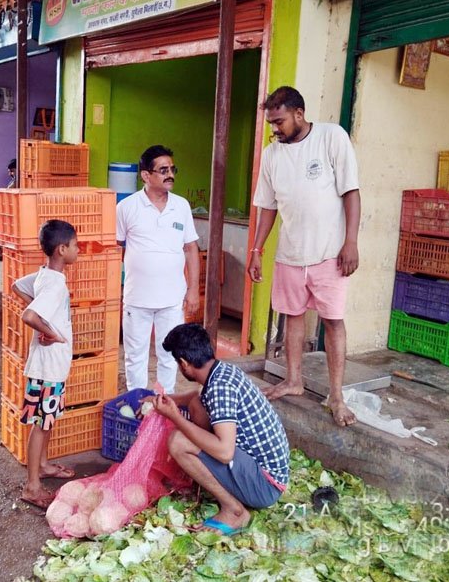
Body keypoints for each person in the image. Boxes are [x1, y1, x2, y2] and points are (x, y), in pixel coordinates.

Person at [248, 86, 361, 427]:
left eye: (279, 121)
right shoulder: (272, 154)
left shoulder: (331, 138)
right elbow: (267, 207)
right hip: (290, 253)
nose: (275, 129)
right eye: (271, 122)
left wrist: (351, 242)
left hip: (330, 252)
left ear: (299, 113)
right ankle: (294, 380)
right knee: (292, 316)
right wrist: (257, 249)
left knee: (333, 321)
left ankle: (337, 396)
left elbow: (351, 192)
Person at [147, 323, 289, 535]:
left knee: (178, 441)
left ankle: (234, 510)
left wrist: (175, 416)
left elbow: (225, 453)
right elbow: (194, 397)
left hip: (266, 485)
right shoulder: (221, 371)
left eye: (178, 364)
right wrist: (160, 400)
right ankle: (213, 480)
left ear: (184, 364)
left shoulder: (220, 389)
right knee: (196, 402)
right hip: (261, 469)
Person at [116, 145, 200, 394]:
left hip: (172, 299)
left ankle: (166, 406)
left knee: (170, 355)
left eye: (172, 169)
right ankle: (138, 402)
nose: (170, 174)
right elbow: (115, 249)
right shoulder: (127, 207)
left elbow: (191, 249)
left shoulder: (182, 206)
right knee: (135, 356)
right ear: (146, 175)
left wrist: (193, 289)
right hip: (137, 298)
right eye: (163, 170)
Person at [11, 220, 79, 509]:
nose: (78, 250)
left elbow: (16, 286)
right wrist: (49, 332)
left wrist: (45, 325)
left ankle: (42, 465)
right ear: (62, 249)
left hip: (49, 367)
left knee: (46, 419)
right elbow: (29, 315)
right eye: (75, 246)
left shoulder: (44, 276)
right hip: (47, 368)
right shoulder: (56, 285)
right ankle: (32, 485)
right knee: (41, 424)